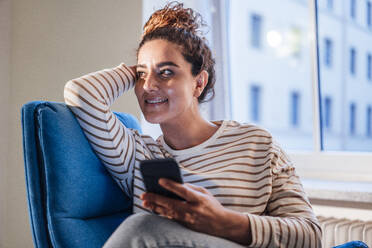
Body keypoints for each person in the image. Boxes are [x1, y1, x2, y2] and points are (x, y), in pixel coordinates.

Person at [64, 2, 322, 247]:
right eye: (142, 75)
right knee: (142, 228)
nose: (149, 86)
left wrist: (224, 222)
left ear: (198, 83)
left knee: (141, 228)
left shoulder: (256, 143)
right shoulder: (138, 155)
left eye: (166, 72)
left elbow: (310, 237)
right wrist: (142, 65)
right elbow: (82, 94)